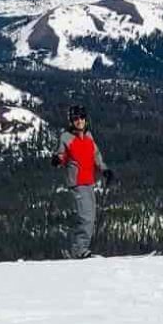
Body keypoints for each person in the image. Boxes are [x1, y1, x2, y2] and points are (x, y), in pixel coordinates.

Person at [51, 104, 114, 259]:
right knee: (86, 217)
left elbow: (95, 155)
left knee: (90, 217)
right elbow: (61, 155)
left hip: (89, 182)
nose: (79, 121)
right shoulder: (66, 137)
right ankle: (79, 251)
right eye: (76, 118)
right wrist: (57, 160)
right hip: (77, 183)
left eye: (82, 118)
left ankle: (78, 249)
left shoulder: (88, 136)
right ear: (71, 121)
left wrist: (104, 169)